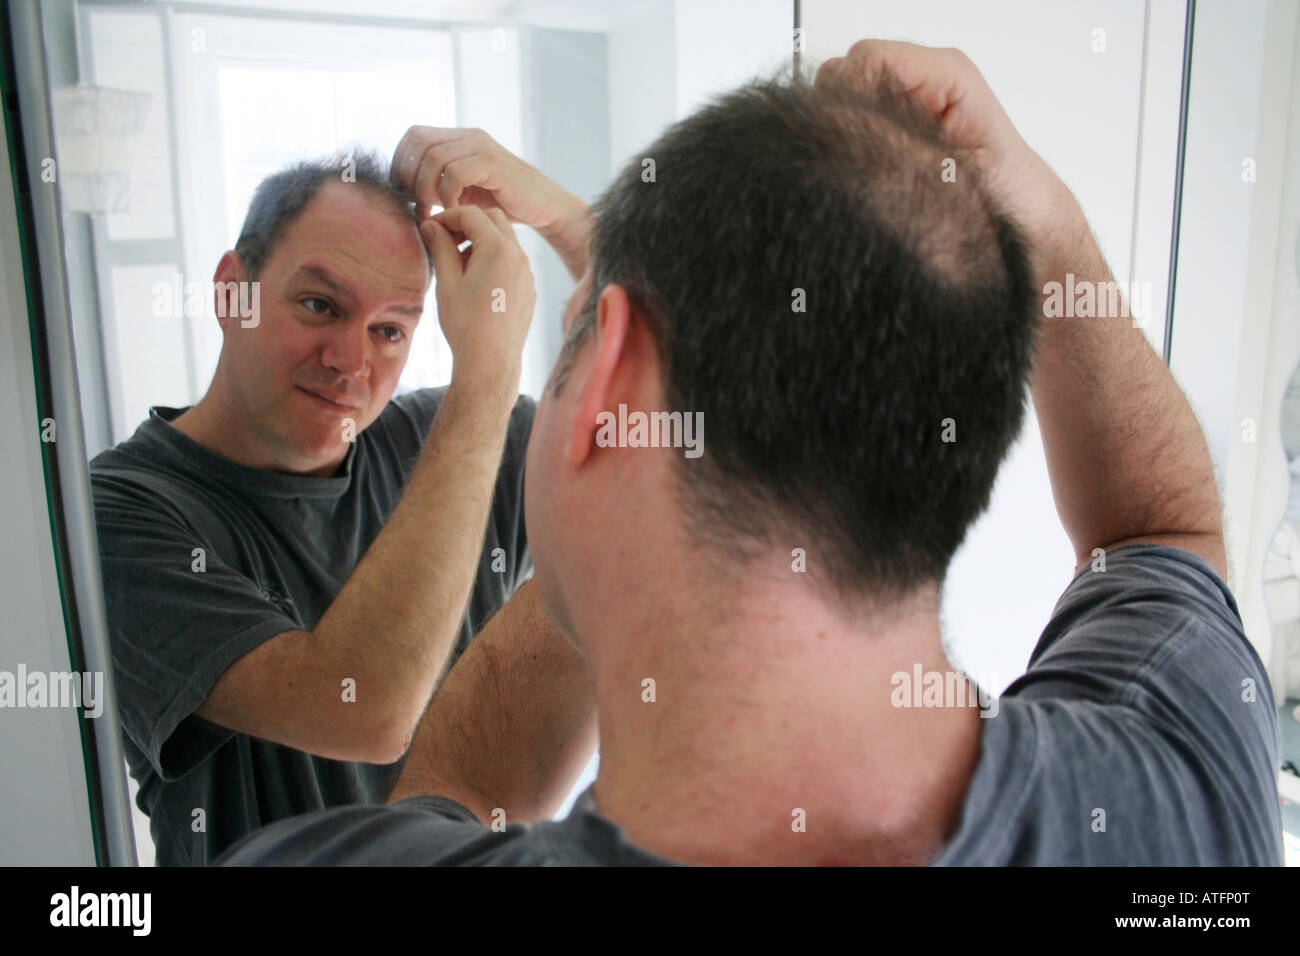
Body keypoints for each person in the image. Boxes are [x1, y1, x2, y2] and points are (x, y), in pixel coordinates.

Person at [217, 41, 1284, 866]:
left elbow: (439, 799)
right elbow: (1159, 524)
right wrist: (1040, 215)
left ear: (608, 386)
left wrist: (546, 401)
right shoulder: (1180, 784)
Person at [89, 136, 598, 865]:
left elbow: (690, 427)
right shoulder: (119, 512)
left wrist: (563, 220)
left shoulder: (446, 435)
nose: (350, 362)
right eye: (321, 304)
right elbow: (361, 707)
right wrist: (488, 367)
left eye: (390, 330)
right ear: (231, 289)